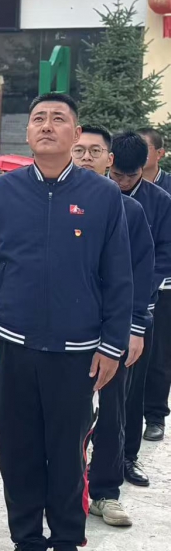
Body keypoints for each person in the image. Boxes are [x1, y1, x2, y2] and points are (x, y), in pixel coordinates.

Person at [0, 93, 133, 551]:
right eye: (38, 118)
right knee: (17, 451)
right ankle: (26, 538)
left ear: (75, 134)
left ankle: (65, 538)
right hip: (11, 346)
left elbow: (119, 277)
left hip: (77, 353)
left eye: (58, 119)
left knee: (67, 453)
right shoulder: (3, 191)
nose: (46, 125)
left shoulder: (102, 195)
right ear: (27, 132)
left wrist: (112, 345)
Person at [73, 128, 159, 527]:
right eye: (80, 150)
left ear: (109, 160)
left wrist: (136, 327)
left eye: (95, 151)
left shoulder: (130, 211)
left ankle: (105, 492)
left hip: (113, 331)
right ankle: (62, 488)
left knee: (112, 411)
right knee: (62, 415)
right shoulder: (50, 205)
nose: (86, 157)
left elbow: (142, 275)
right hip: (64, 331)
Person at [107, 130, 171, 491]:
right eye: (117, 175)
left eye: (130, 177)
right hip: (97, 305)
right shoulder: (96, 194)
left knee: (131, 386)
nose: (123, 183)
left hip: (140, 305)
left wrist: (139, 293)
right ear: (110, 164)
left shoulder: (159, 202)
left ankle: (127, 456)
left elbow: (163, 256)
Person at [138, 126, 171, 443]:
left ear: (159, 154)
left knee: (158, 355)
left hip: (164, 288)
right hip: (127, 285)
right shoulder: (119, 186)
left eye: (144, 147)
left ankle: (156, 415)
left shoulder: (167, 191)